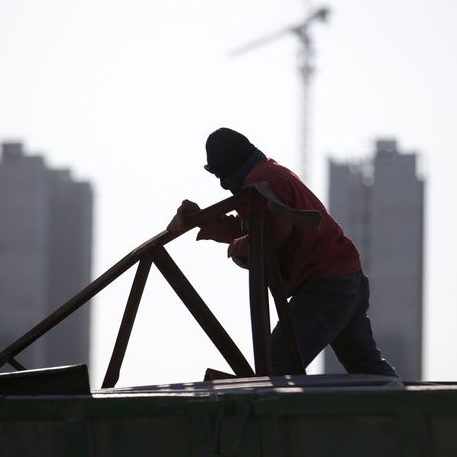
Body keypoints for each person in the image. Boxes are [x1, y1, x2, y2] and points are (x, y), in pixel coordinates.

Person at [170, 127, 399, 379]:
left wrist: (238, 248)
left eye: (219, 175)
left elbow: (272, 235)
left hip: (327, 286)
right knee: (369, 371)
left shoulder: (262, 182)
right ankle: (410, 412)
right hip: (344, 279)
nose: (222, 184)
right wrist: (203, 220)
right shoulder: (265, 175)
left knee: (276, 365)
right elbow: (248, 226)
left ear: (227, 169)